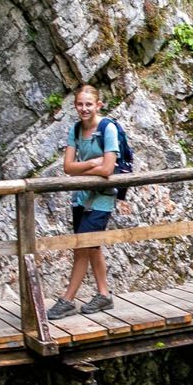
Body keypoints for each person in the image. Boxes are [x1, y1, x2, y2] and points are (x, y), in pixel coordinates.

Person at [47, 85, 120, 320]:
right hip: (80, 197)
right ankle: (104, 295)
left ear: (98, 105)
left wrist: (86, 168)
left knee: (81, 246)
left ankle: (67, 300)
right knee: (92, 246)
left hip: (102, 198)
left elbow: (108, 168)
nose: (84, 108)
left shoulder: (108, 129)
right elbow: (68, 168)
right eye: (80, 104)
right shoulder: (76, 129)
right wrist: (92, 164)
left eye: (89, 104)